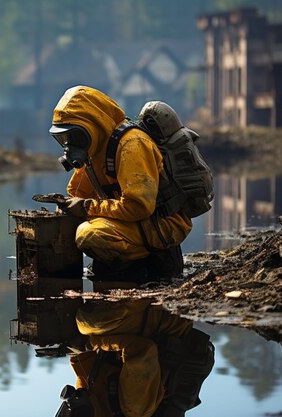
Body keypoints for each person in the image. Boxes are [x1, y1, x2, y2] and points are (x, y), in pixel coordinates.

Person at [49, 85, 192, 281]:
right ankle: (120, 259)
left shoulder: (131, 145)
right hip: (137, 220)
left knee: (89, 236)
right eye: (63, 138)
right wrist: (68, 207)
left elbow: (138, 206)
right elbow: (77, 193)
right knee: (69, 222)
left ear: (94, 123)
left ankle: (141, 264)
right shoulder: (96, 149)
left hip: (160, 223)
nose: (68, 143)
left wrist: (86, 207)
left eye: (73, 136)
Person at [55, 299, 214, 417]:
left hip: (138, 329)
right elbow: (142, 350)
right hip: (165, 322)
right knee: (89, 322)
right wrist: (93, 343)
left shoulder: (92, 398)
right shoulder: (134, 408)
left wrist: (61, 345)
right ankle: (144, 275)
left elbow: (82, 359)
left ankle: (124, 266)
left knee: (62, 324)